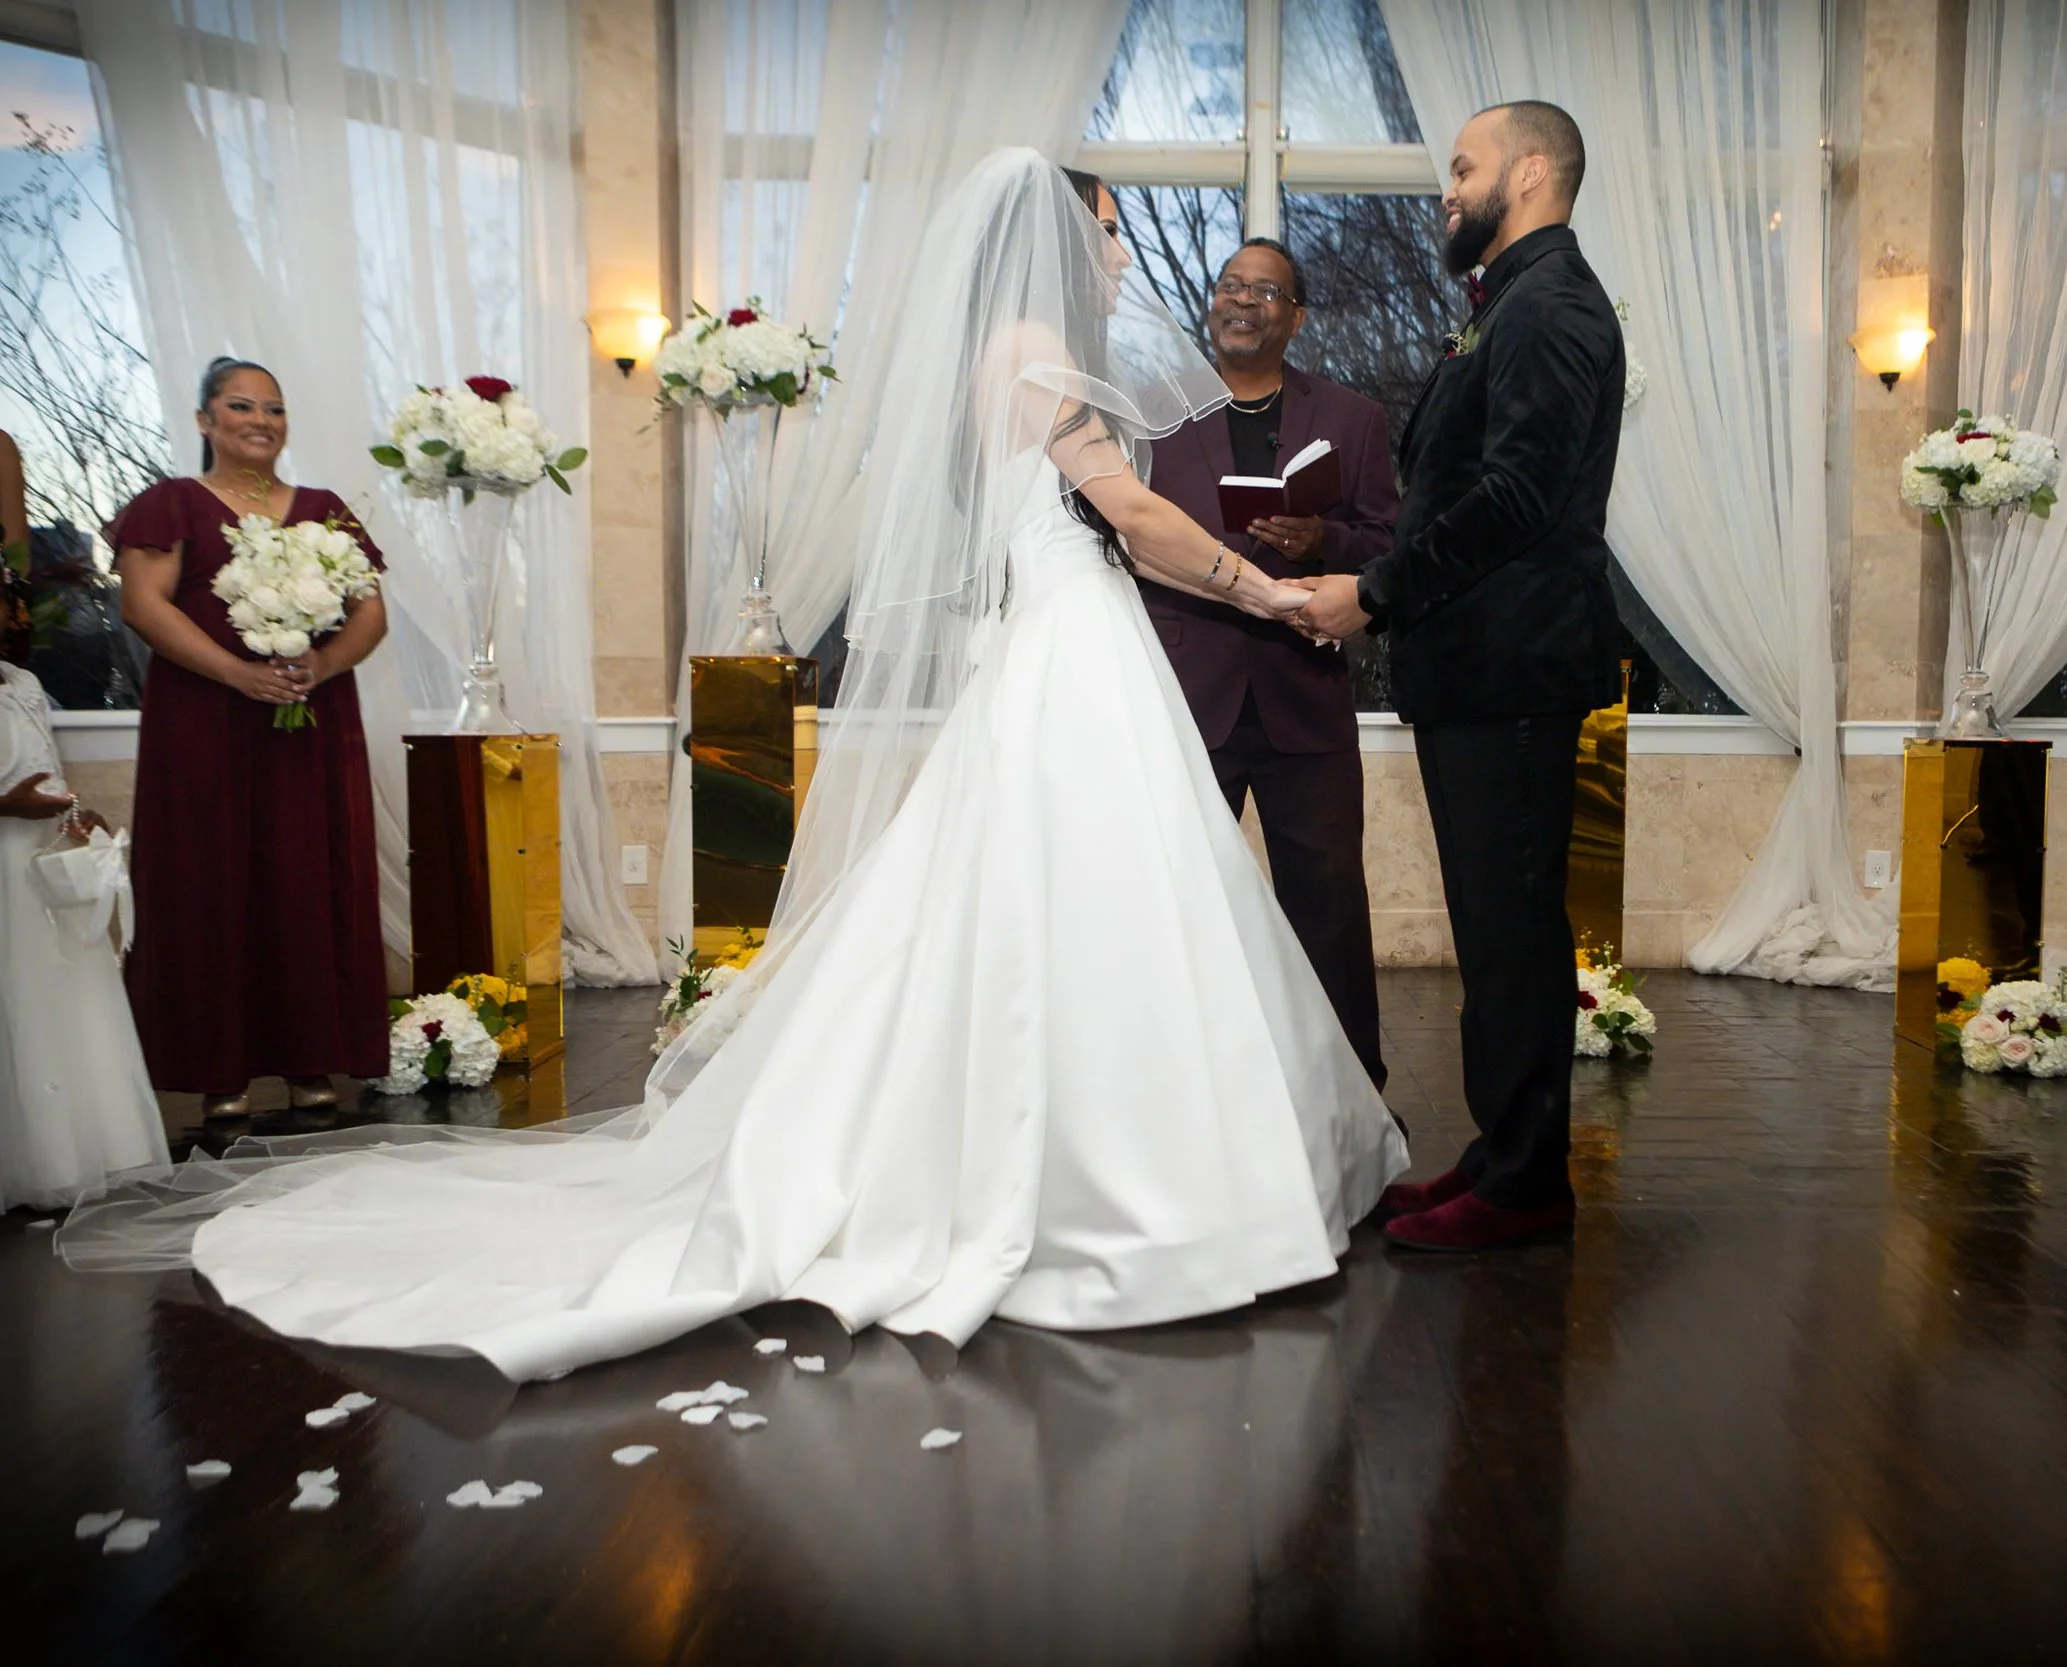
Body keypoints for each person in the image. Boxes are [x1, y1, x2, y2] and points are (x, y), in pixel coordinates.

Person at [60, 151, 1405, 1380]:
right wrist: (1271, 594)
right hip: (1069, 649)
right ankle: (1116, 1183)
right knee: (1084, 904)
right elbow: (1136, 516)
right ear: (1055, 240)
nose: (1118, 252)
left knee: (1049, 910)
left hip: (1061, 644)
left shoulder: (1013, 353)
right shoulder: (1039, 351)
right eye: (1105, 230)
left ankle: (1094, 1156)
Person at [1293, 101, 1624, 1251]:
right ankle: (1500, 1151)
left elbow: (1518, 497)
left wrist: (1374, 591)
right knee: (1491, 931)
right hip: (1478, 668)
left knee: (1513, 930)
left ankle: (1527, 1186)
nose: (1447, 187)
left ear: (1529, 174)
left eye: (1464, 166)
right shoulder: (1506, 303)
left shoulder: (1552, 304)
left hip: (1513, 667)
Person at [1141, 237, 1400, 1089]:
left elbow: (1389, 545)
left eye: (1264, 290)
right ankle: (1177, 1099)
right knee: (1176, 911)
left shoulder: (1353, 418)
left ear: (1297, 316)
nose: (1241, 300)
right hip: (1186, 700)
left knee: (1328, 913)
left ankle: (1352, 1108)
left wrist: (1323, 540)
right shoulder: (1152, 414)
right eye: (1230, 285)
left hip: (1304, 697)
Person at [108, 359, 392, 1121]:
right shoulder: (171, 503)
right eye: (241, 406)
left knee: (304, 876)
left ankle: (309, 1056)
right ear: (205, 421)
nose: (261, 420)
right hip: (204, 724)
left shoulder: (326, 509)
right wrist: (237, 674)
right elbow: (143, 606)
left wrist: (322, 664)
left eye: (274, 407)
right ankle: (219, 1071)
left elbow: (370, 613)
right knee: (209, 876)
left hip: (306, 723)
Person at [1, 471, 169, 1211]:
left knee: (66, 1001)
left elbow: (43, 767)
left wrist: (78, 814)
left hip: (41, 870)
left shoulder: (23, 686)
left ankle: (85, 1150)